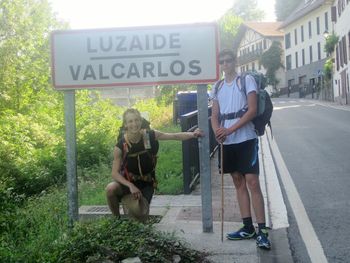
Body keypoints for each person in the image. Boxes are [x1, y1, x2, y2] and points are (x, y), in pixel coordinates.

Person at [210, 49, 271, 250]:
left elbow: (252, 110)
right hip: (227, 141)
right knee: (238, 182)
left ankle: (262, 230)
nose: (225, 64)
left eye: (228, 61)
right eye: (222, 62)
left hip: (246, 138)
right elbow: (214, 115)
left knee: (252, 182)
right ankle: (248, 227)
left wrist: (230, 129)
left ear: (234, 61)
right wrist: (218, 132)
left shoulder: (246, 80)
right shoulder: (217, 86)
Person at [106, 108, 203, 222]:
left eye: (137, 120)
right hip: (128, 183)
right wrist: (130, 186)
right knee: (110, 189)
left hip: (146, 183)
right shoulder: (120, 145)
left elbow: (174, 136)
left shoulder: (149, 136)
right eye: (130, 121)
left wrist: (193, 134)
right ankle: (116, 220)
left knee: (139, 218)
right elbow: (114, 173)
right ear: (125, 124)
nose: (134, 124)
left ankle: (132, 207)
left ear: (141, 121)